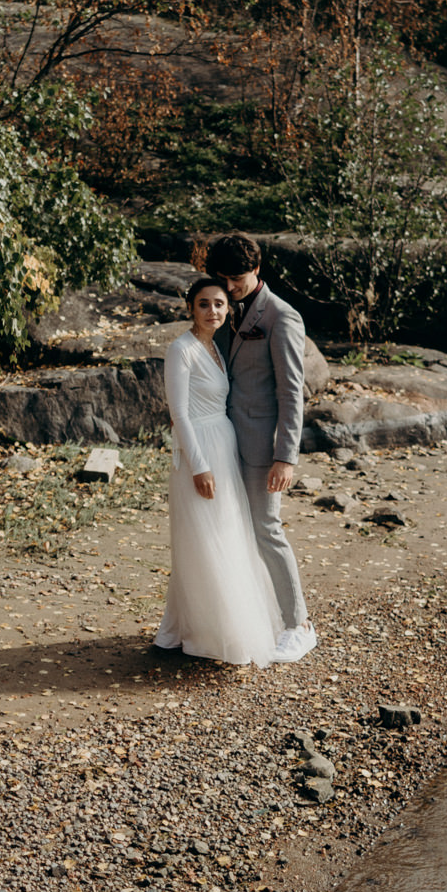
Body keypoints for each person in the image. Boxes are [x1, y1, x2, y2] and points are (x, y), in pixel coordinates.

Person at [152, 277, 289, 665]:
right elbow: (179, 413)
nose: (212, 310)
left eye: (219, 304)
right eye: (203, 304)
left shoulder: (215, 348)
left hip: (224, 445)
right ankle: (206, 632)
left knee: (226, 531)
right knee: (204, 538)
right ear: (190, 308)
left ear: (229, 309)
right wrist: (199, 466)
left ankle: (195, 625)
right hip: (201, 451)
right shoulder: (181, 350)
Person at [203, 233, 316, 660]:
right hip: (225, 440)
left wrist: (286, 456)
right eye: (223, 278)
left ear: (257, 268)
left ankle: (300, 624)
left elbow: (292, 393)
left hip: (262, 446)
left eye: (237, 278)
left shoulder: (283, 317)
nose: (229, 287)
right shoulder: (225, 309)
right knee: (232, 530)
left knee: (267, 531)